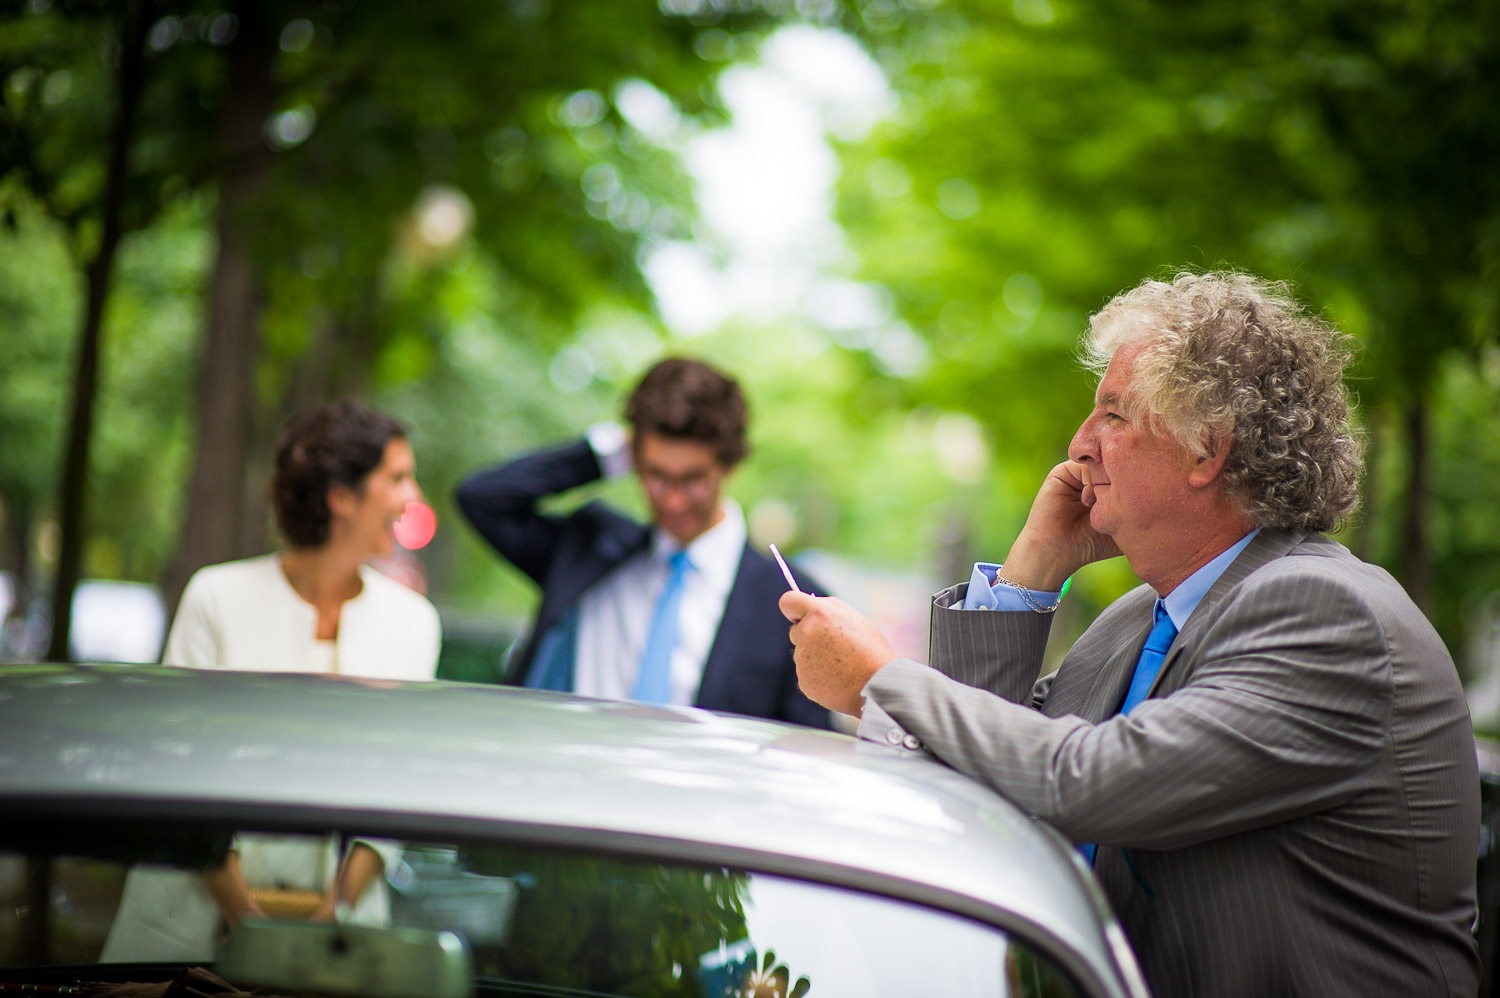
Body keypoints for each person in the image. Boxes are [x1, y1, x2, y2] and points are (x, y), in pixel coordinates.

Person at [780, 272, 1479, 997]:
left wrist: (878, 681)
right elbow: (982, 772)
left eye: (1112, 415)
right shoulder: (1138, 618)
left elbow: (1088, 780)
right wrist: (1032, 571)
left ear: (1207, 449)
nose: (1079, 445)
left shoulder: (1328, 608)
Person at [101, 399, 441, 961]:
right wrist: (249, 921)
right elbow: (176, 772)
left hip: (343, 938)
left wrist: (337, 907)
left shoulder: (414, 623)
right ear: (341, 497)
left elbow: (401, 784)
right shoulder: (217, 598)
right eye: (398, 477)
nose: (413, 497)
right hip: (189, 929)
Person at [456, 357, 829, 728]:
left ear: (728, 465)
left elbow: (808, 747)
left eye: (694, 479)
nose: (673, 500)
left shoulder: (792, 602)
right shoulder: (587, 550)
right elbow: (483, 499)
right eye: (656, 476)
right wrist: (602, 456)